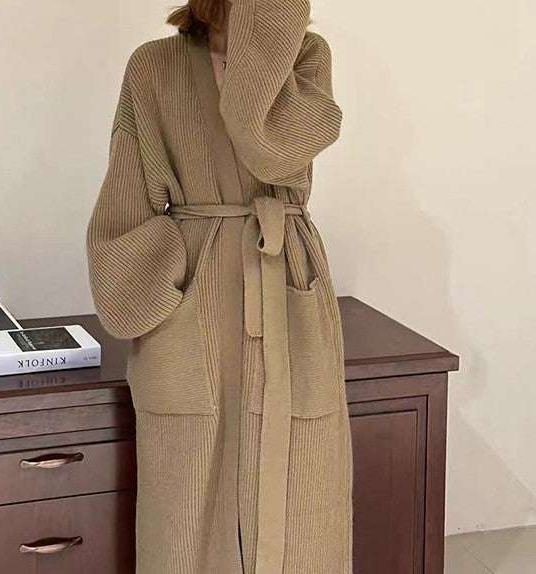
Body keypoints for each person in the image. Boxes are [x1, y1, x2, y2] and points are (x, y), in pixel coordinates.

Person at [85, 0, 353, 572]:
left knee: (301, 487)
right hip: (196, 298)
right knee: (186, 498)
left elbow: (271, 152)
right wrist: (180, 264)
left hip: (287, 286)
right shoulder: (154, 65)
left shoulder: (305, 57)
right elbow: (125, 202)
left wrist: (264, 35)